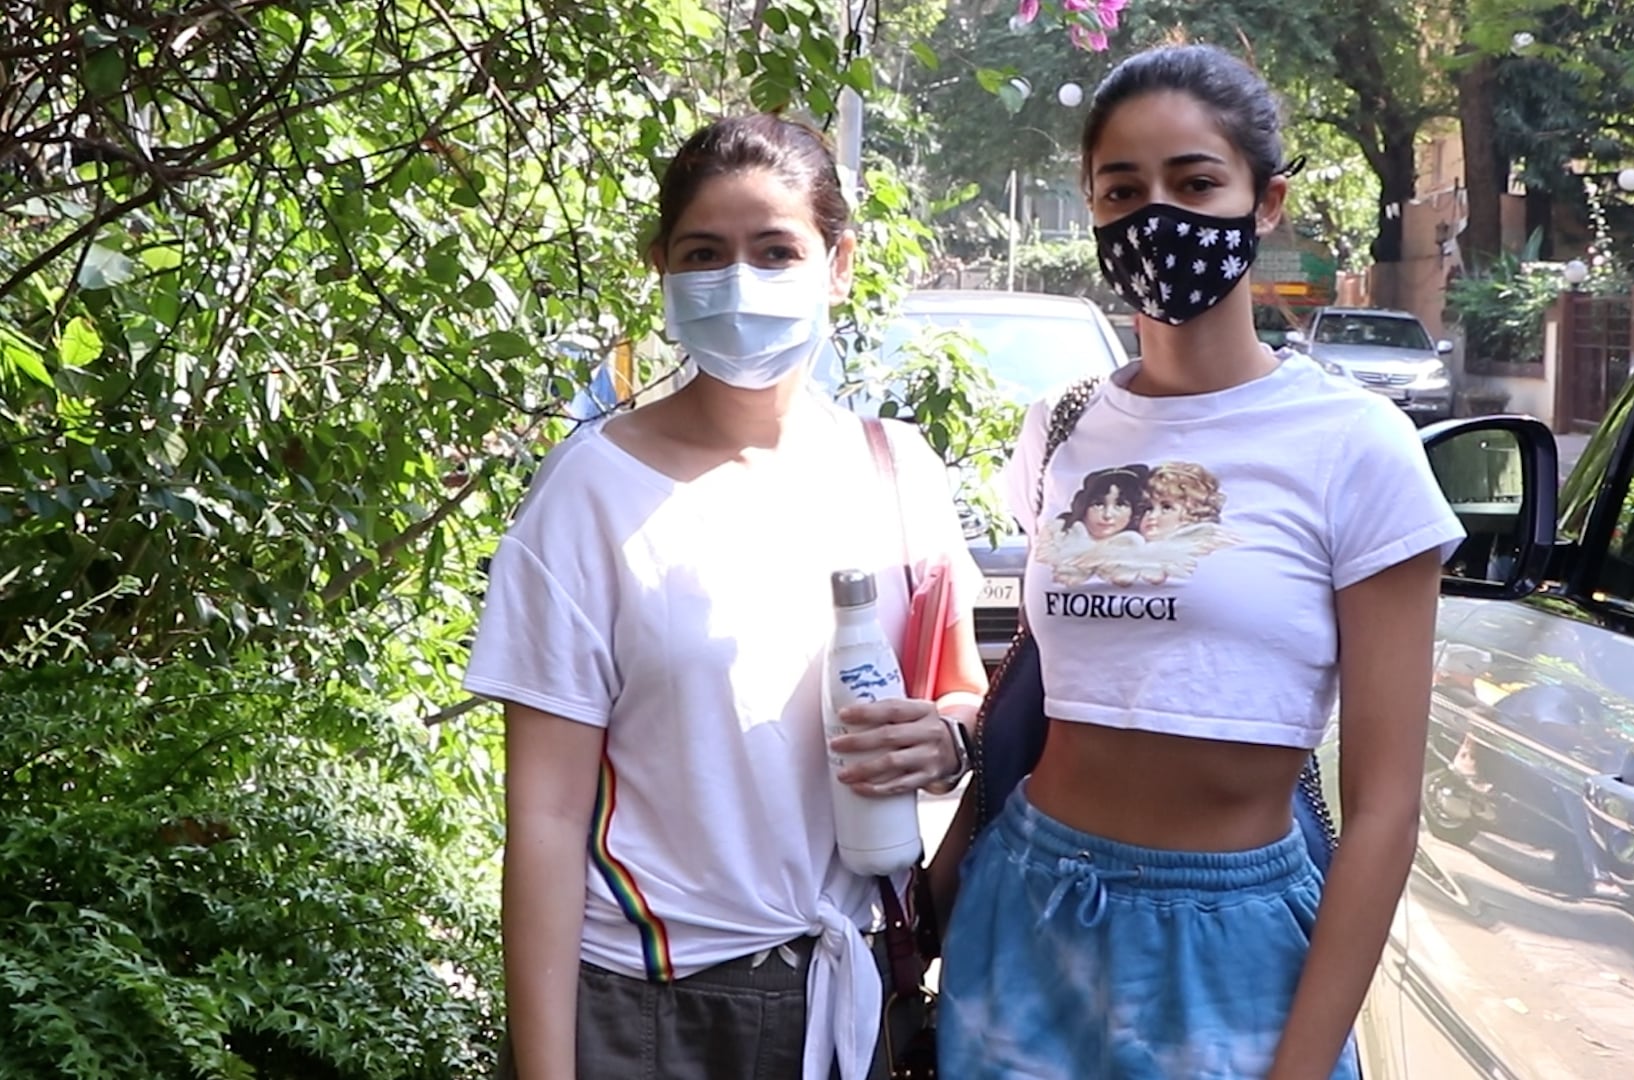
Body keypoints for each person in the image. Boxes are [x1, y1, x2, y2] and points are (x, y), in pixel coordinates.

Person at [933, 43, 1465, 1080]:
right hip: (1029, 908)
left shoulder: (1355, 444)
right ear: (1090, 208)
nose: (1156, 217)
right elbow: (1047, 690)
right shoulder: (1063, 427)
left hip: (1235, 940)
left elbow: (1387, 807)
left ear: (1264, 203)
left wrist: (1301, 1064)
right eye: (1121, 189)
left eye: (1195, 183)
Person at [461, 114, 989, 1080]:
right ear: (662, 265)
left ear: (838, 263)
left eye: (776, 249)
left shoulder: (897, 472)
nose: (740, 281)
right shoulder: (591, 494)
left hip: (847, 992)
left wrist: (948, 736)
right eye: (706, 253)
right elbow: (541, 819)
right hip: (646, 1006)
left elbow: (960, 695)